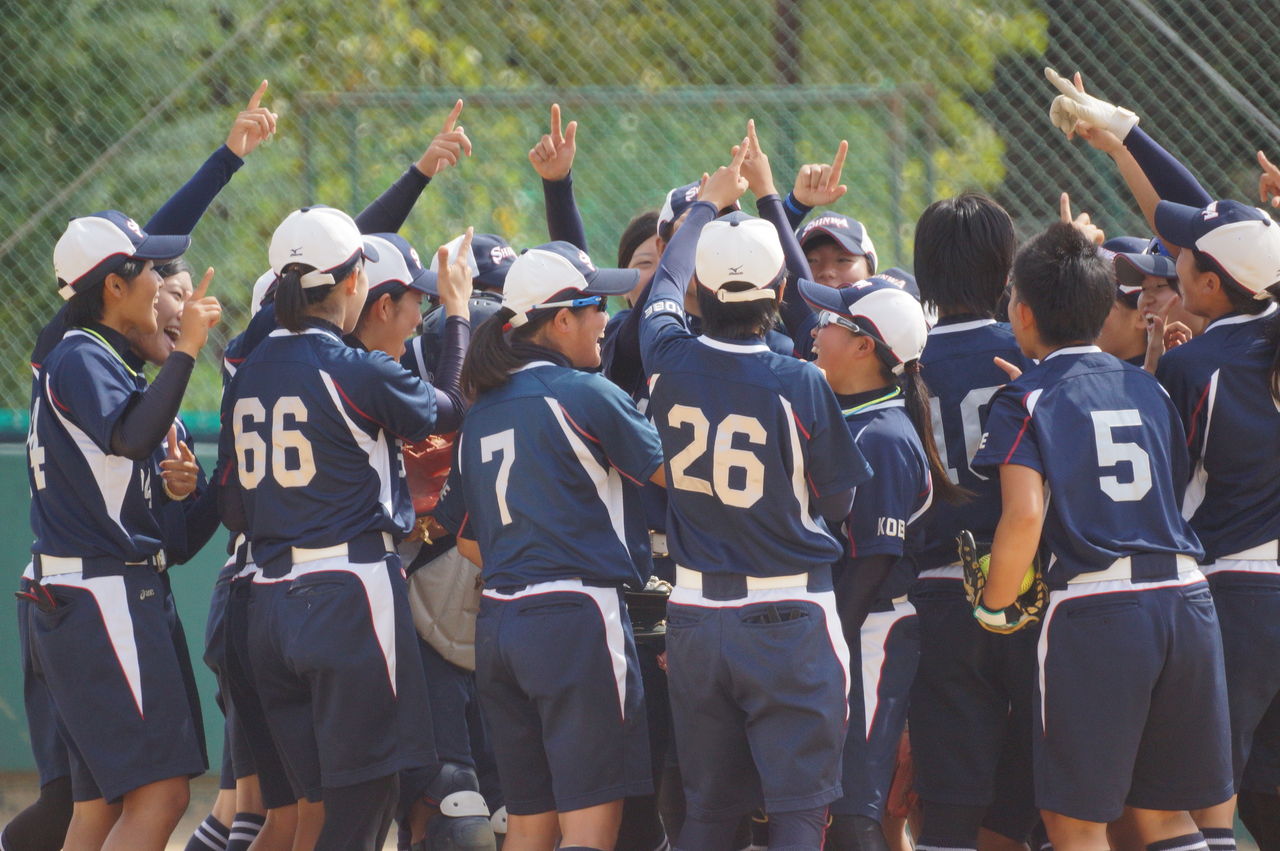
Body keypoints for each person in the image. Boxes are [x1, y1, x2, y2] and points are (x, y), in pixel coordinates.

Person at [639, 142, 869, 851]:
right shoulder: (801, 381)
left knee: (709, 812)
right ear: (777, 295)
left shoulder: (666, 358)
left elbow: (659, 294)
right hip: (789, 611)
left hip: (697, 615)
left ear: (702, 296)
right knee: (799, 813)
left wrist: (707, 202)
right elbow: (839, 501)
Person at [972, 221, 1231, 851]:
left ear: (1024, 316)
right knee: (1165, 813)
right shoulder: (1148, 386)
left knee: (1074, 822)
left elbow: (1025, 515)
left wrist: (993, 601)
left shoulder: (1023, 397)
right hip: (1187, 600)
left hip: (1100, 610)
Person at [219, 205, 471, 851]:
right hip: (346, 596)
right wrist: (460, 312)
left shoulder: (244, 369)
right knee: (362, 802)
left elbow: (234, 508)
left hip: (265, 601)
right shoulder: (353, 367)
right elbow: (447, 412)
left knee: (316, 806)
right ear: (355, 281)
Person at [435, 240, 663, 851]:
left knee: (531, 826)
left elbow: (464, 541)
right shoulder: (585, 393)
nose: (607, 320)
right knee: (591, 827)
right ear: (560, 318)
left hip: (502, 620)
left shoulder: (480, 411)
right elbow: (681, 478)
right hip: (576, 619)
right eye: (596, 308)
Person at [26, 210, 220, 851]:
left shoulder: (116, 367)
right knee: (160, 797)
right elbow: (131, 435)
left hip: (106, 591)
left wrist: (201, 487)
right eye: (150, 272)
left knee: (97, 810)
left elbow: (178, 541)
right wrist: (189, 347)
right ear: (114, 285)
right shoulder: (81, 355)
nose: (164, 284)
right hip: (98, 597)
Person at [798, 273, 967, 851]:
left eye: (830, 324)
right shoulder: (843, 414)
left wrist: (823, 647)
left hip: (867, 630)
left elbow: (871, 565)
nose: (815, 331)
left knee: (854, 812)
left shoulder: (885, 435)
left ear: (865, 346)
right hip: (837, 627)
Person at [904, 193, 1037, 851]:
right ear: (1004, 268)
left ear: (923, 275)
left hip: (938, 586)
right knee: (1043, 790)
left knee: (950, 800)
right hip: (1033, 582)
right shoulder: (1030, 351)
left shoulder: (906, 360)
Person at [1149, 198, 1280, 851]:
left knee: (1204, 793)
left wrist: (1152, 367)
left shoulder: (1194, 365)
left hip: (1233, 592)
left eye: (1183, 257)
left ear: (1210, 283)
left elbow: (1162, 486)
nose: (1173, 263)